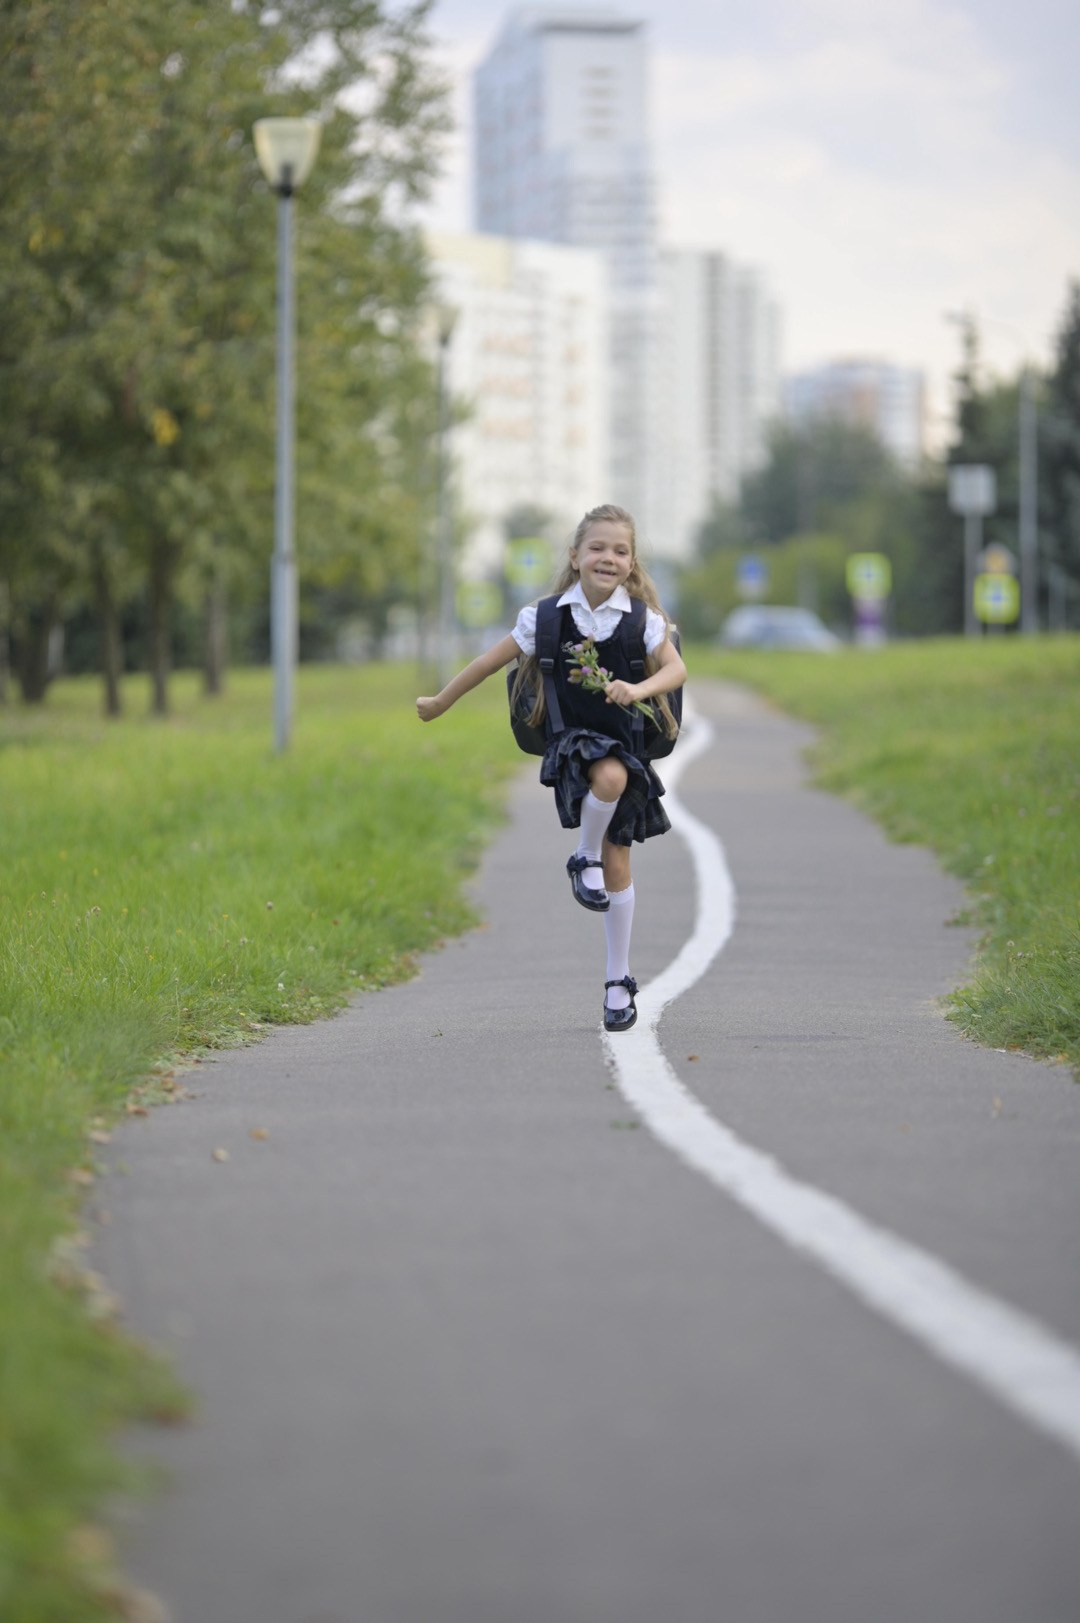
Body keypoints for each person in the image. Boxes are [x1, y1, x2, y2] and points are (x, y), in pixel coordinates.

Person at [416, 503, 687, 1033]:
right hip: (571, 745)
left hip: (624, 741)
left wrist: (637, 688)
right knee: (608, 780)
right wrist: (442, 701)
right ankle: (580, 854)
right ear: (575, 555)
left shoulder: (642, 620)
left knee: (619, 859)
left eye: (620, 550)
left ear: (632, 563)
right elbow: (487, 663)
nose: (608, 557)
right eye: (598, 548)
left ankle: (617, 983)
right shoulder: (544, 617)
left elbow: (676, 669)